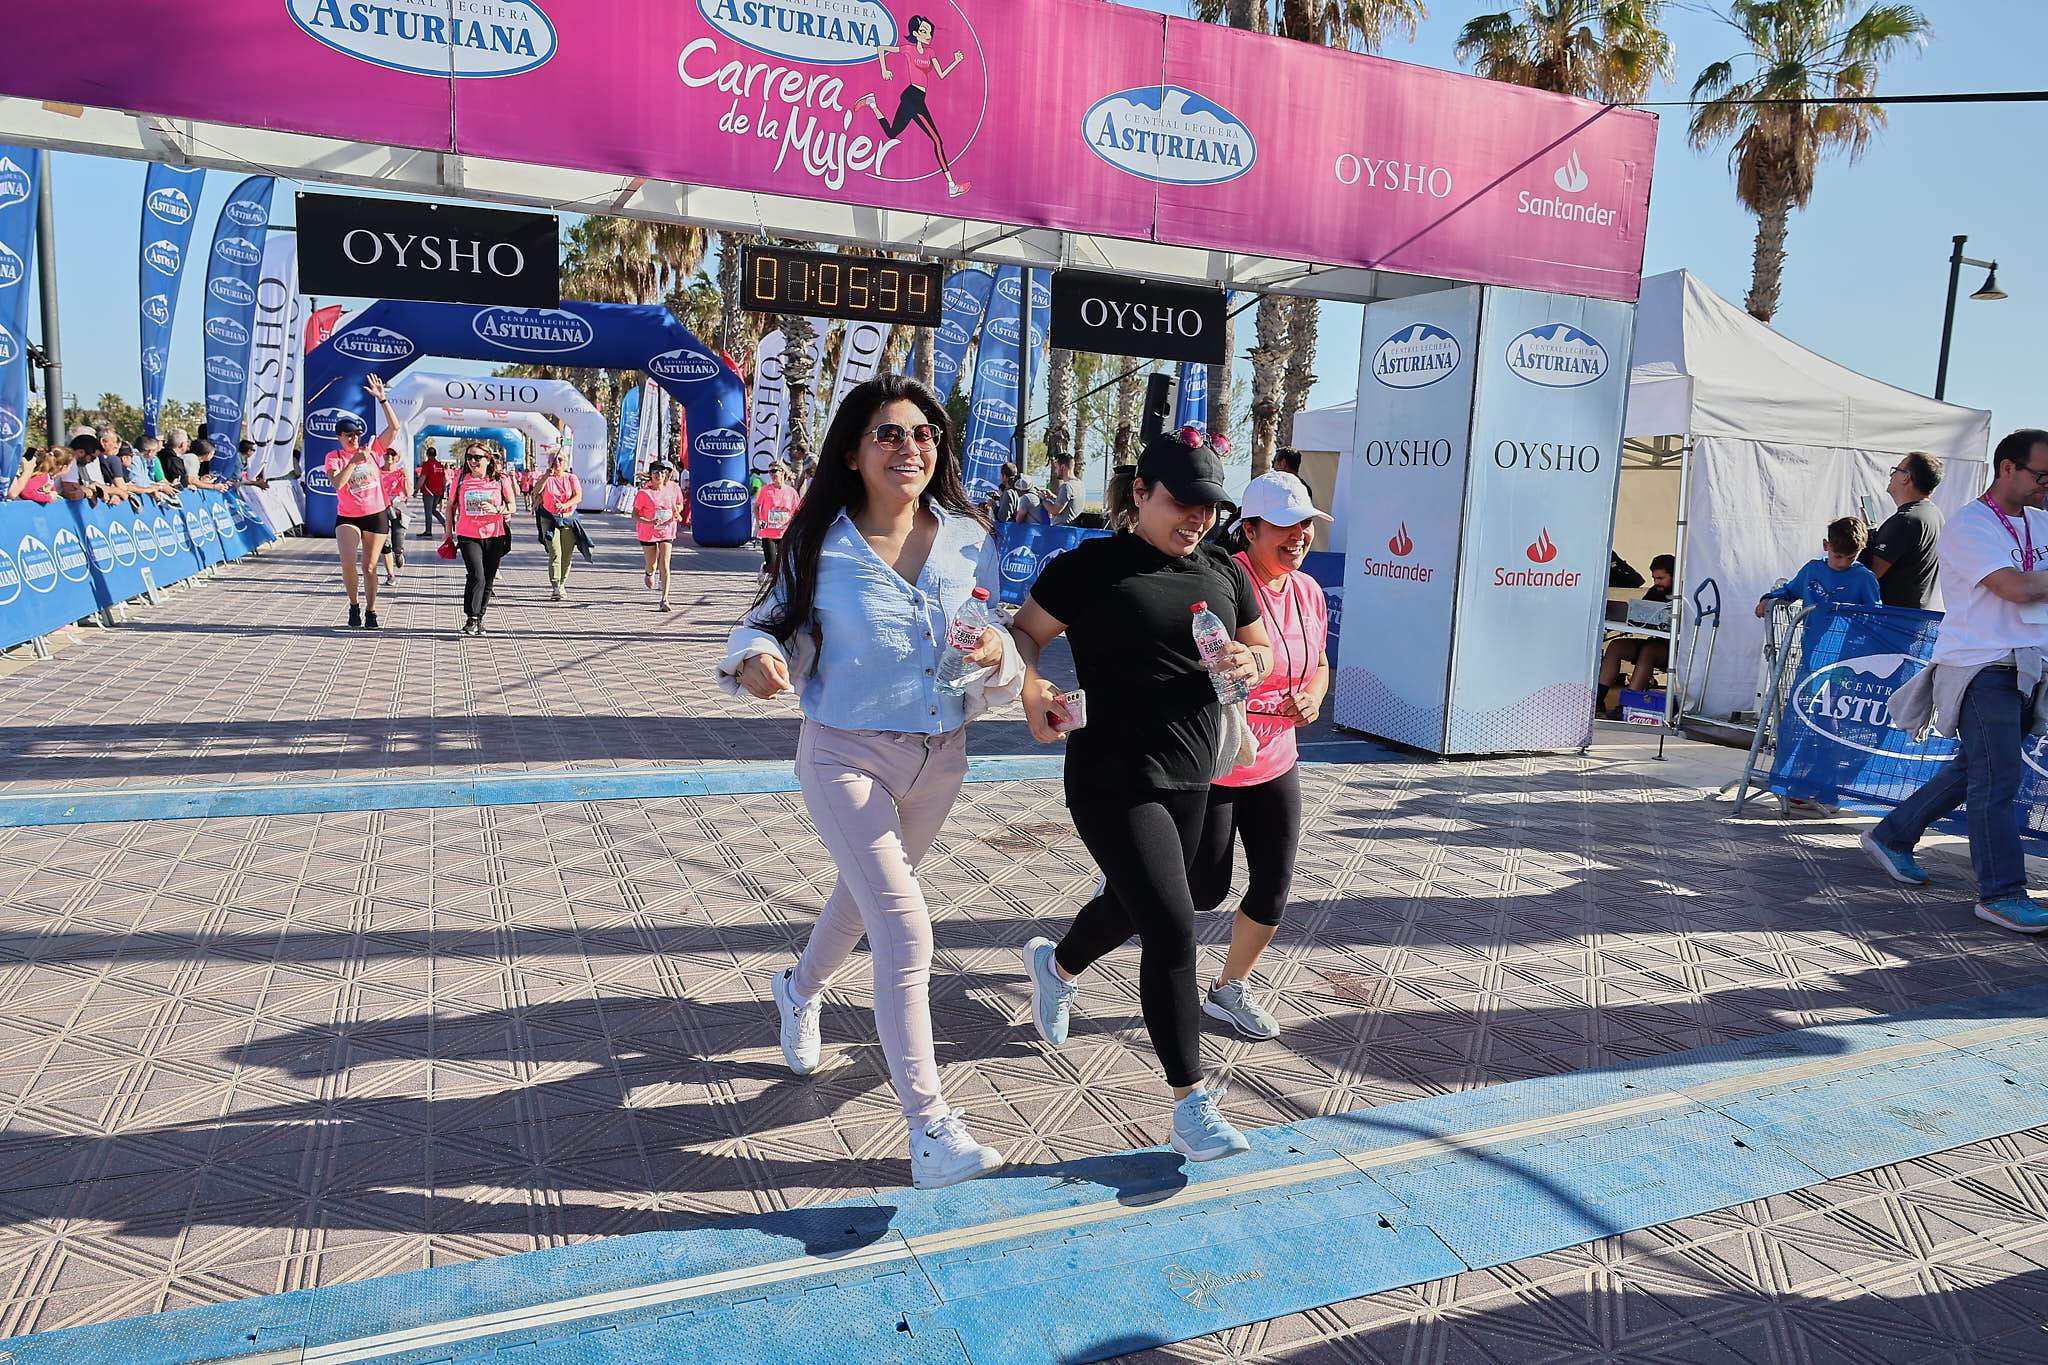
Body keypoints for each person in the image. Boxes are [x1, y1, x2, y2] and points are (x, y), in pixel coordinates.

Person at [719, 375, 1017, 1190]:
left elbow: (996, 625)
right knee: (905, 925)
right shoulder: (821, 542)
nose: (909, 448)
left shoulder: (966, 536)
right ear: (852, 451)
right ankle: (930, 1127)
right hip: (843, 753)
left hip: (941, 755)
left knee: (861, 899)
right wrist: (757, 659)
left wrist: (999, 653)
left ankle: (797, 986)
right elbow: (763, 621)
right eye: (888, 434)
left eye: (924, 434)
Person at [1011, 425, 1274, 1162]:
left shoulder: (1224, 568)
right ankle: (1191, 1102)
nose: (1196, 518)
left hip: (1194, 773)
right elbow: (1026, 633)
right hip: (1109, 777)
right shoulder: (1090, 565)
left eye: (1209, 506)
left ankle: (1055, 965)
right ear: (1139, 494)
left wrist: (1252, 662)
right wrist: (1032, 685)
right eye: (1181, 501)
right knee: (1171, 926)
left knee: (1132, 903)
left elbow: (1261, 647)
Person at [1861, 430, 2048, 935]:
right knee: (1998, 780)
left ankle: (1892, 834)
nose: (2046, 486)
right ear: (2007, 468)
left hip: (2028, 665)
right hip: (1982, 666)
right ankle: (2001, 894)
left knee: (1976, 770)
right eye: (2041, 475)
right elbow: (2013, 587)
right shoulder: (1970, 523)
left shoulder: (2040, 520)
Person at [1188, 471, 1330, 1041]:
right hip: (1223, 760)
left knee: (1273, 883)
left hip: (1278, 761)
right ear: (1248, 530)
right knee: (1204, 891)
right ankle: (1126, 879)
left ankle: (1230, 988)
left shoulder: (1310, 592)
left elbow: (1319, 664)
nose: (1298, 537)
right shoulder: (1224, 585)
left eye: (1305, 525)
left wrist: (1313, 697)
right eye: (1284, 526)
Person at [859, 15, 972, 198]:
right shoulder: (908, 49)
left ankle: (872, 104)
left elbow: (941, 74)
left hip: (917, 98)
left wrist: (956, 61)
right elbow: (881, 48)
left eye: (930, 32)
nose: (928, 35)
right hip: (912, 97)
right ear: (915, 33)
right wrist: (884, 69)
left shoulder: (930, 52)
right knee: (937, 140)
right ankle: (952, 185)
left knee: (891, 133)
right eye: (924, 31)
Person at [325, 376, 402, 629]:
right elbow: (337, 483)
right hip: (347, 515)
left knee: (369, 567)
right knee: (348, 562)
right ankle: (353, 605)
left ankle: (371, 610)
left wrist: (382, 399)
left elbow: (394, 428)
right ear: (340, 437)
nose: (354, 439)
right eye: (349, 435)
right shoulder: (334, 456)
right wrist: (353, 461)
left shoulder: (373, 449)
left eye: (357, 434)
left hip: (375, 513)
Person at [445, 443, 516, 637]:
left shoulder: (500, 480)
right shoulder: (460, 479)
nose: (472, 461)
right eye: (469, 457)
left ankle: (480, 618)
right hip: (468, 535)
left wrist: (498, 510)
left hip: (495, 535)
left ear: (487, 459)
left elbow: (512, 506)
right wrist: (447, 533)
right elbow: (450, 506)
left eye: (477, 457)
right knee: (477, 575)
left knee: (489, 578)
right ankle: (471, 618)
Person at [1861, 451, 1946, 609]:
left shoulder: (1907, 520)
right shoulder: (1934, 514)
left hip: (1891, 622)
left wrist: (1863, 538)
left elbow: (1870, 574)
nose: (1891, 475)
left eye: (1896, 469)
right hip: (1911, 620)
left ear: (1906, 477)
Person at [1755, 518, 1882, 619]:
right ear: (1826, 545)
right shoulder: (1812, 570)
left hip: (1850, 647)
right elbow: (1790, 590)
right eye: (1838, 556)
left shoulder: (1865, 578)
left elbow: (1875, 614)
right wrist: (1768, 599)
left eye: (1850, 558)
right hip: (1812, 645)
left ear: (1861, 551)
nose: (1843, 563)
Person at [1599, 553, 1676, 718]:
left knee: (1649, 651)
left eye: (1661, 578)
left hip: (1673, 649)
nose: (1656, 583)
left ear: (1674, 575)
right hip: (1654, 640)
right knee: (1616, 646)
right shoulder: (1655, 591)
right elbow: (1640, 612)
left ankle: (1627, 705)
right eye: (1654, 578)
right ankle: (1598, 699)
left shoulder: (1685, 594)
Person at [535, 449, 584, 600]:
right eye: (553, 460)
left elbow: (578, 496)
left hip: (568, 518)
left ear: (565, 463)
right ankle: (556, 586)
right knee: (555, 552)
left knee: (567, 554)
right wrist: (545, 477)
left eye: (560, 460)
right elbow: (536, 491)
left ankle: (562, 583)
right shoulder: (546, 478)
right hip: (549, 519)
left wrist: (565, 505)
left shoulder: (571, 478)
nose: (556, 463)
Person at [634, 463, 684, 611]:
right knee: (652, 564)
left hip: (667, 530)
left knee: (665, 564)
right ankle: (649, 572)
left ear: (667, 474)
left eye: (662, 472)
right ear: (651, 475)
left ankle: (665, 599)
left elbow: (679, 504)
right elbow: (635, 514)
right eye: (655, 472)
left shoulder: (673, 488)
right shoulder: (644, 493)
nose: (659, 475)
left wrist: (676, 511)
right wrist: (649, 521)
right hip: (648, 532)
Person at [754, 460, 800, 581]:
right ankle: (765, 568)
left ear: (782, 472)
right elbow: (756, 506)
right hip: (768, 533)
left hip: (784, 533)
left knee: (783, 564)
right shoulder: (765, 490)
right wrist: (758, 522)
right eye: (770, 472)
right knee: (772, 565)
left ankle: (777, 588)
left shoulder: (791, 492)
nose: (772, 474)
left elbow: (797, 511)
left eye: (774, 471)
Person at [376, 444, 412, 584]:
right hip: (381, 508)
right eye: (387, 454)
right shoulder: (377, 472)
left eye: (393, 454)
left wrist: (406, 477)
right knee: (384, 543)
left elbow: (408, 493)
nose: (389, 457)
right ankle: (390, 574)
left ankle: (398, 553)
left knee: (397, 543)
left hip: (398, 509)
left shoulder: (400, 472)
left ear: (398, 458)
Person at [1040, 453, 1083, 526]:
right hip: (1073, 530)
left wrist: (1042, 499)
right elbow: (1068, 504)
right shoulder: (1079, 484)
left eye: (1056, 467)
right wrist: (1052, 497)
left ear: (1062, 467)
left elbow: (1055, 510)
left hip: (1062, 531)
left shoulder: (1067, 486)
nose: (1055, 471)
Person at [419, 446, 447, 533]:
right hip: (438, 492)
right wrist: (443, 490)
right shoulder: (440, 465)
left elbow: (422, 478)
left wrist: (416, 489)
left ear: (427, 454)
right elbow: (444, 479)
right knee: (433, 510)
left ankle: (428, 531)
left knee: (428, 512)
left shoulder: (427, 464)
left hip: (429, 492)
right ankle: (446, 524)